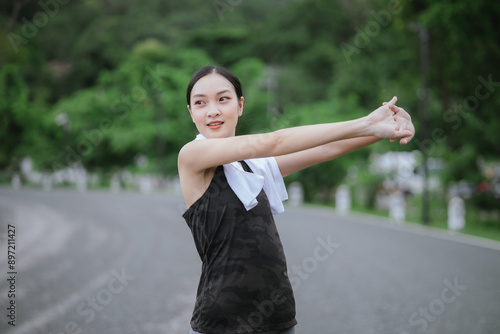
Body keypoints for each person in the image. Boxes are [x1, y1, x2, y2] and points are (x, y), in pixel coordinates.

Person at [178, 65, 415, 334]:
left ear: (240, 105)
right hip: (220, 322)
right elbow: (272, 141)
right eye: (200, 103)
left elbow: (325, 149)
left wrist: (381, 131)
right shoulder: (191, 157)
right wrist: (365, 122)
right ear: (191, 112)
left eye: (223, 99)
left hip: (277, 317)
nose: (213, 110)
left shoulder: (254, 167)